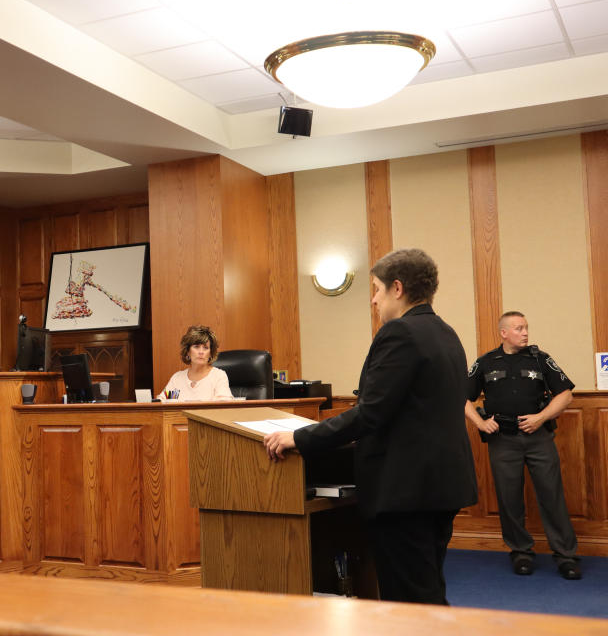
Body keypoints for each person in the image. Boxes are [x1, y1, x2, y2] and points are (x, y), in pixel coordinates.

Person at [263, 248, 477, 605]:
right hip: (440, 484)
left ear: (397, 288)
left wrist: (298, 437)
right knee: (426, 587)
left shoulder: (400, 333)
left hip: (406, 490)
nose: (373, 300)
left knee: (411, 600)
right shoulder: (445, 332)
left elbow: (370, 414)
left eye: (376, 290)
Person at [464, 311, 580, 580]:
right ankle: (521, 552)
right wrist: (480, 424)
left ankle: (566, 556)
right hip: (503, 440)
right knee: (509, 499)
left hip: (538, 438)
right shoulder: (485, 362)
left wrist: (541, 417)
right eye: (518, 328)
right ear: (503, 333)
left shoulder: (541, 360)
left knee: (552, 495)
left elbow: (566, 394)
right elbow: (462, 398)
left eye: (526, 327)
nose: (525, 332)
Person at [159, 325, 233, 401]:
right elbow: (165, 402)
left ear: (210, 353)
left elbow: (223, 406)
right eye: (196, 347)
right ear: (188, 351)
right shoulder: (178, 379)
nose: (201, 352)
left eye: (205, 348)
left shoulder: (218, 376)